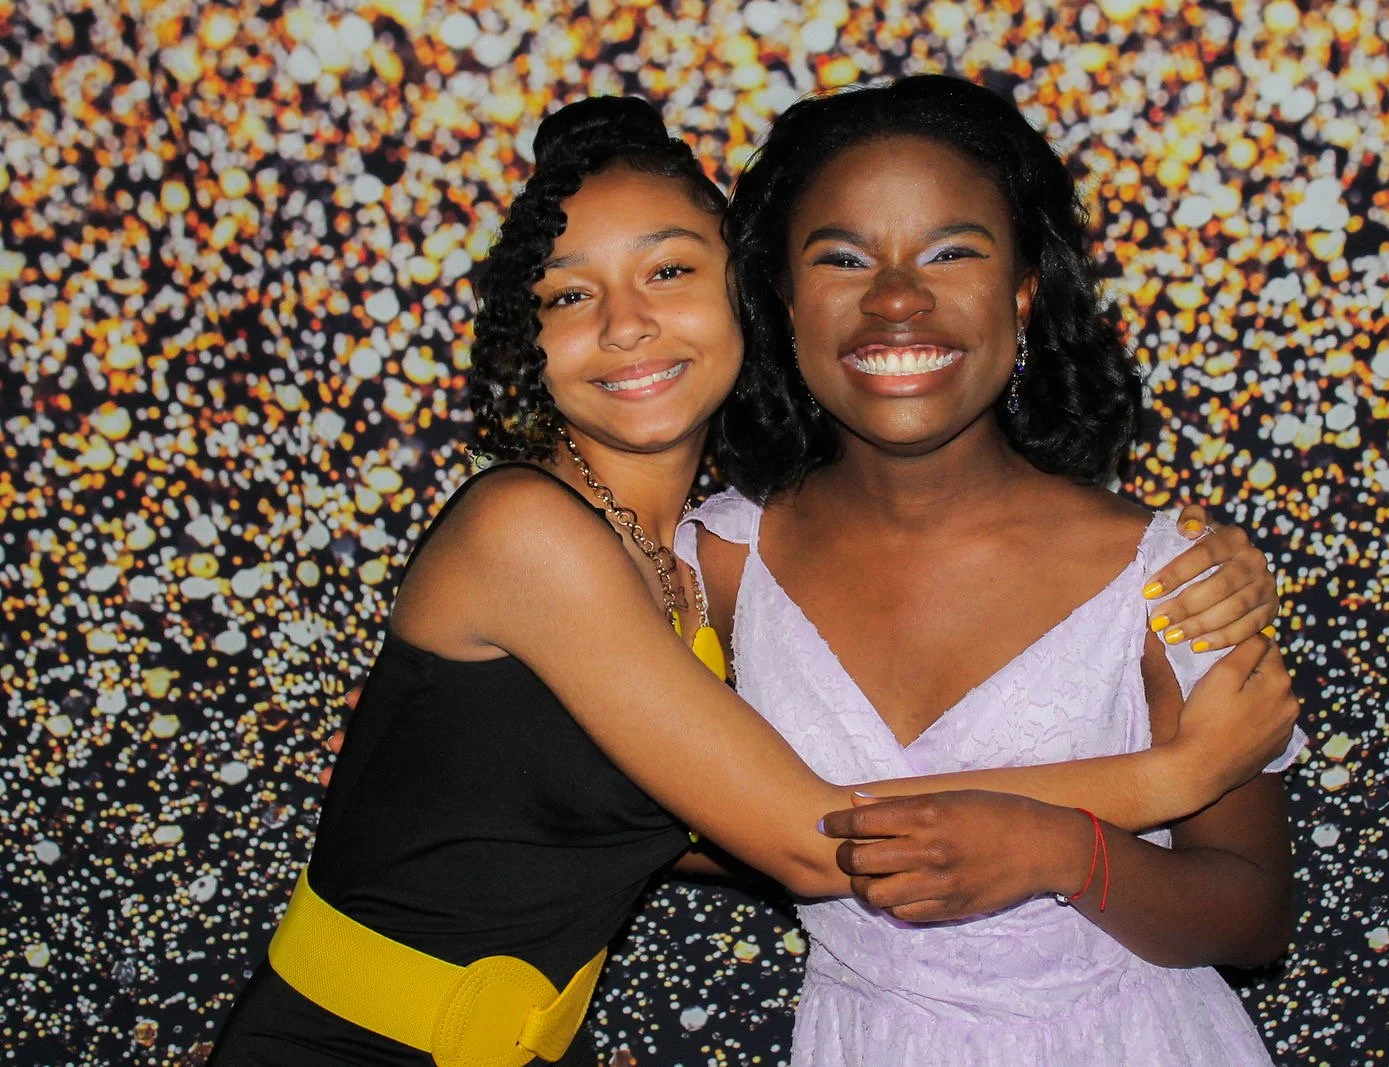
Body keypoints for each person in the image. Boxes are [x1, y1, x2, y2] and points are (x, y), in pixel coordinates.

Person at [210, 96, 1297, 1067]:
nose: (626, 323)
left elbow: (639, 816)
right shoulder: (595, 542)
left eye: (669, 270)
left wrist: (1182, 562)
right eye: (566, 293)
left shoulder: (683, 559)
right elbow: (804, 835)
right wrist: (1168, 777)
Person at [675, 75, 1307, 1065]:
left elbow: (1253, 912)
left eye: (950, 251)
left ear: (1023, 290)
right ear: (785, 302)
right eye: (842, 257)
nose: (894, 297)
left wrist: (1066, 851)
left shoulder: (1175, 578)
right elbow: (605, 815)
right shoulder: (710, 561)